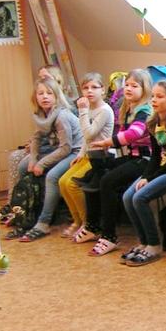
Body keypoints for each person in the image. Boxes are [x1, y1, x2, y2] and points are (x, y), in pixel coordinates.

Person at [121, 80, 166, 266]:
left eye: (159, 96)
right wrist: (146, 176)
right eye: (153, 96)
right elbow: (155, 156)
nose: (154, 100)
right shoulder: (153, 122)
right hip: (162, 169)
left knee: (140, 198)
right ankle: (143, 242)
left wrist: (150, 179)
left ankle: (154, 244)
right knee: (128, 197)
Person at [80, 69, 153, 253]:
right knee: (93, 174)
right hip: (132, 157)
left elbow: (134, 133)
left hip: (146, 160)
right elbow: (122, 135)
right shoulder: (127, 109)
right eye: (127, 85)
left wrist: (108, 142)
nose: (128, 88)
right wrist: (108, 147)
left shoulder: (145, 110)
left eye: (134, 86)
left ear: (144, 89)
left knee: (107, 181)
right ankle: (92, 225)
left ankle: (109, 236)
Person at [10, 76, 84, 242]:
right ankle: (27, 211)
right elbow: (36, 138)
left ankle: (43, 222)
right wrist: (32, 160)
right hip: (57, 149)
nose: (45, 97)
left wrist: (42, 163)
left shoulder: (62, 116)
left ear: (56, 96)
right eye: (41, 93)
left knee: (52, 176)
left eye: (49, 93)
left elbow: (66, 148)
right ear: (35, 97)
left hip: (75, 151)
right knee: (22, 166)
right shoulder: (41, 115)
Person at [58, 73, 115, 240]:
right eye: (85, 88)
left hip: (102, 157)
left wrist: (82, 111)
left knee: (73, 184)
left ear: (102, 90)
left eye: (94, 87)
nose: (89, 91)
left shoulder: (105, 110)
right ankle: (77, 220)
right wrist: (81, 154)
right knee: (62, 182)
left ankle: (87, 223)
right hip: (89, 154)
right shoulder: (89, 109)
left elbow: (89, 133)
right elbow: (86, 138)